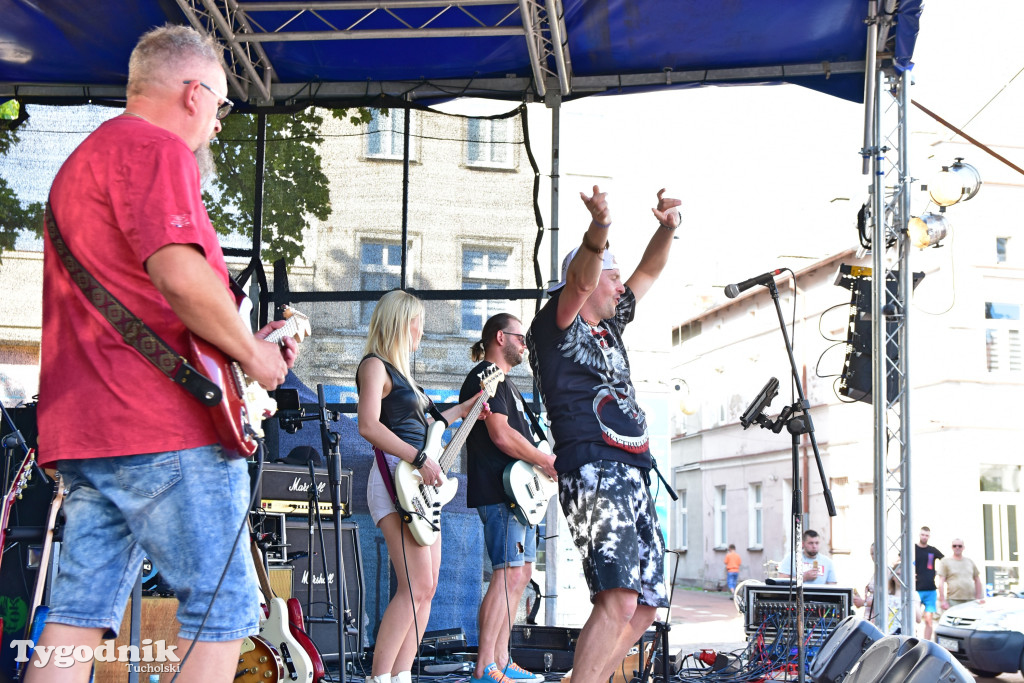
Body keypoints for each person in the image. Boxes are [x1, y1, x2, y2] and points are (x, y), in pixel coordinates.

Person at [30, 25, 298, 683]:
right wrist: (257, 359)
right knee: (225, 613)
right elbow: (179, 275)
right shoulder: (156, 151)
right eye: (220, 106)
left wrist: (236, 345)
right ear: (192, 93)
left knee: (75, 617)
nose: (216, 124)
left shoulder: (77, 167)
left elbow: (138, 301)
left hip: (86, 432)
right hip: (164, 426)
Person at [526, 185, 681, 682]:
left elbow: (651, 271)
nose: (621, 287)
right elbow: (578, 280)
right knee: (617, 597)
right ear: (590, 281)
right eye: (612, 278)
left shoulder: (610, 328)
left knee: (644, 607)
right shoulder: (555, 325)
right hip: (594, 466)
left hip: (634, 469)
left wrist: (667, 228)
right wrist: (600, 230)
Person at [356, 289, 488, 683]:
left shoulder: (407, 378)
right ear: (403, 323)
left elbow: (429, 426)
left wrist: (464, 411)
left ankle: (400, 675)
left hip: (419, 486)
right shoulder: (374, 366)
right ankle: (379, 677)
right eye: (419, 324)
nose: (422, 333)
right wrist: (417, 458)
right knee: (413, 587)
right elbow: (368, 426)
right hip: (396, 480)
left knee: (426, 588)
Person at [460, 313, 556, 683]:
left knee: (520, 574)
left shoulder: (508, 385)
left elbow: (521, 438)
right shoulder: (485, 377)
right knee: (506, 574)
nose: (525, 345)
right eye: (521, 338)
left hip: (519, 495)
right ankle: (484, 666)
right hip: (501, 492)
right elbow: (500, 435)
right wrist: (546, 460)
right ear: (500, 337)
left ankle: (501, 658)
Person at [914, 525, 944, 640]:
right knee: (914, 618)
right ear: (919, 535)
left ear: (929, 536)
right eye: (923, 534)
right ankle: (914, 640)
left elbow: (945, 561)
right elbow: (899, 560)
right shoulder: (913, 549)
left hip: (930, 589)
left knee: (928, 620)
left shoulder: (932, 550)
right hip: (916, 589)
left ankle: (926, 643)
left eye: (927, 535)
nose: (924, 537)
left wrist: (938, 573)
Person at [937, 538, 984, 610]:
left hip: (970, 600)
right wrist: (942, 600)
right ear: (951, 547)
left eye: (960, 546)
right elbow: (941, 582)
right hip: (953, 600)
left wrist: (978, 598)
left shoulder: (969, 562)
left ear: (963, 548)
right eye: (954, 546)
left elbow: (977, 580)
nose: (957, 548)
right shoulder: (945, 562)